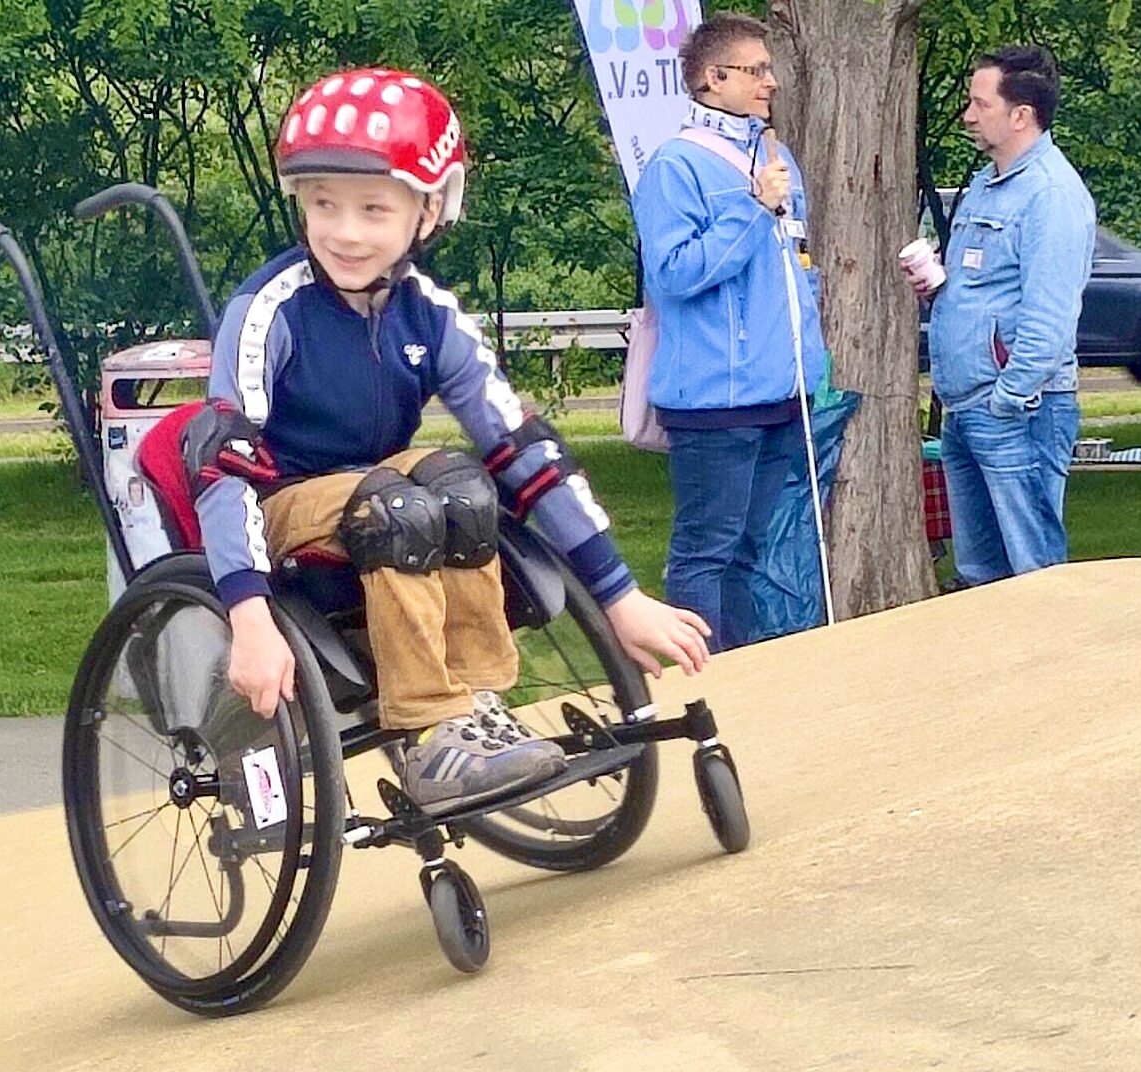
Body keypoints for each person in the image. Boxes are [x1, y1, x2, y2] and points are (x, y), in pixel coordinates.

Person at [182, 67, 710, 814]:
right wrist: (247, 615)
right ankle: (431, 730)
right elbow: (223, 466)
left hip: (374, 488)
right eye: (323, 204)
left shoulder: (429, 313)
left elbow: (526, 449)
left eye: (373, 208)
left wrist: (619, 595)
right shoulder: (270, 310)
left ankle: (478, 705)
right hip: (279, 507)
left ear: (430, 211)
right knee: (396, 505)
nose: (345, 230)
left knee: (467, 487)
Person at [630, 12, 827, 652]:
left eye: (769, 69)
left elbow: (793, 266)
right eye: (756, 70)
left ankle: (742, 668)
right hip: (716, 399)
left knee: (752, 547)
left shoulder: (774, 156)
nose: (771, 82)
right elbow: (675, 272)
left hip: (780, 389)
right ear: (713, 79)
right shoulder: (675, 166)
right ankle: (696, 676)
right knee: (704, 550)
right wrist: (749, 207)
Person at [904, 45, 1094, 585]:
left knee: (1033, 572)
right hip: (968, 407)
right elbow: (991, 290)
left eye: (979, 103)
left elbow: (1050, 319)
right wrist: (940, 289)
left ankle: (1051, 670)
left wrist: (1010, 397)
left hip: (1019, 411)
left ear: (1021, 116)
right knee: (981, 575)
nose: (967, 115)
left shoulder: (1051, 195)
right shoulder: (988, 186)